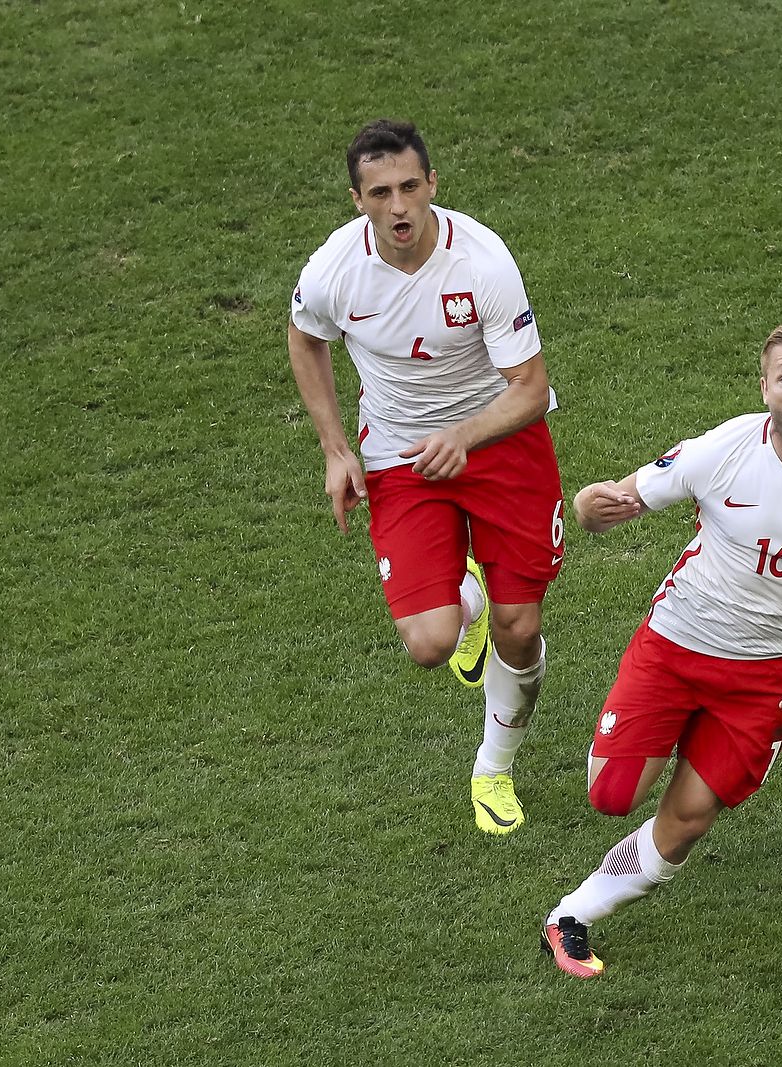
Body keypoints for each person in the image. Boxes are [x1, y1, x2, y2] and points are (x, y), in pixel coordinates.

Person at [540, 317, 782, 978]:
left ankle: (572, 915)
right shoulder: (724, 450)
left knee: (685, 821)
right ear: (765, 385)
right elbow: (613, 500)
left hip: (771, 677)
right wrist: (593, 505)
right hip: (677, 643)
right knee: (611, 795)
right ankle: (676, 731)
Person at [287, 119, 565, 837]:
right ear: (357, 200)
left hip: (501, 440)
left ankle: (493, 767)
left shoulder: (483, 262)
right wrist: (334, 448)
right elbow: (305, 335)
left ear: (433, 184)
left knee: (521, 628)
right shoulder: (332, 273)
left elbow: (530, 389)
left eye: (411, 186)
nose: (400, 205)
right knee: (429, 642)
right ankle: (461, 590)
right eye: (381, 192)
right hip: (402, 458)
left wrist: (465, 435)